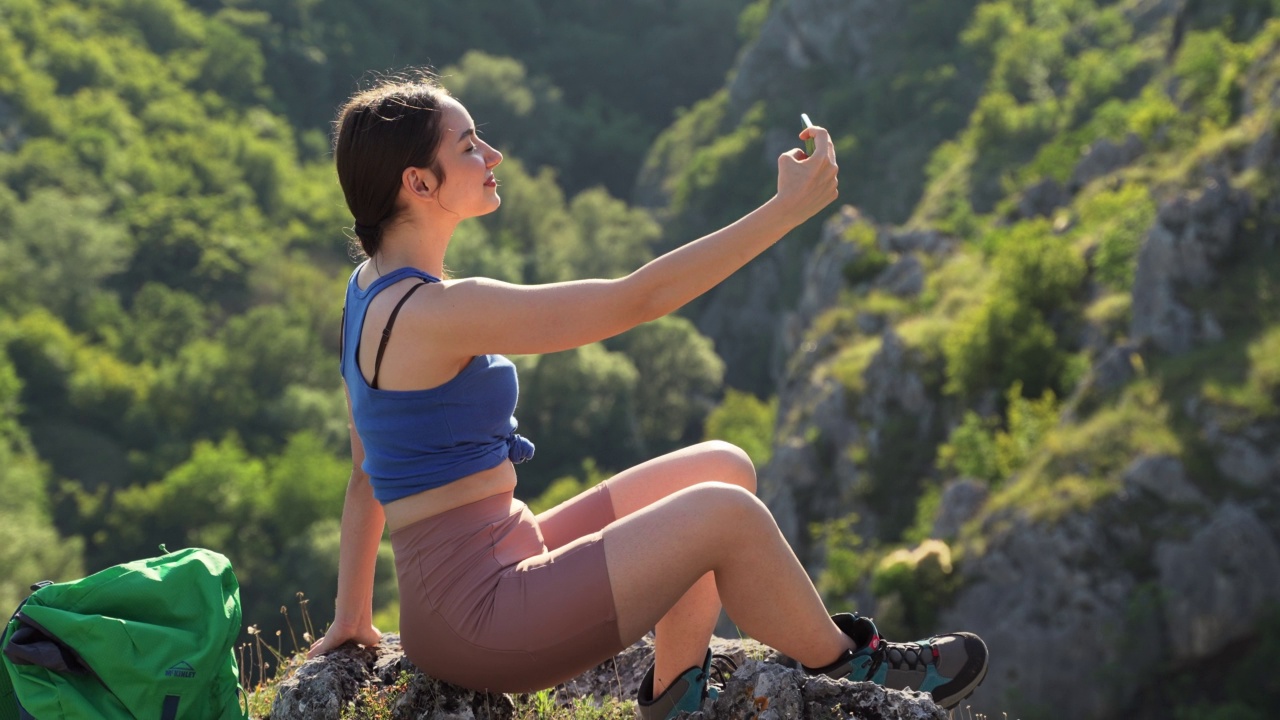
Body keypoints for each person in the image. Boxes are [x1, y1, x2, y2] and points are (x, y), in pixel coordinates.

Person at [307, 74, 989, 718]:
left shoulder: (366, 292)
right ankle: (850, 670)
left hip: (484, 576)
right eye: (468, 147)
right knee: (726, 514)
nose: (494, 154)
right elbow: (637, 299)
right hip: (482, 618)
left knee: (722, 466)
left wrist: (352, 616)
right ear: (419, 182)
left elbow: (367, 471)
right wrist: (786, 211)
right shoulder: (439, 312)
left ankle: (676, 694)